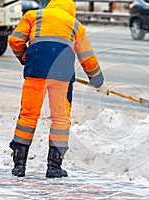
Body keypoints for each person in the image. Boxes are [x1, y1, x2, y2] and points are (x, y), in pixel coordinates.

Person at [8, 0, 108, 178]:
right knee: (60, 118)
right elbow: (87, 57)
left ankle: (19, 165)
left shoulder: (33, 15)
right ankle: (54, 167)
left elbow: (15, 40)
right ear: (71, 10)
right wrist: (98, 80)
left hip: (36, 71)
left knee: (28, 114)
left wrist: (25, 58)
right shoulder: (75, 25)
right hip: (62, 73)